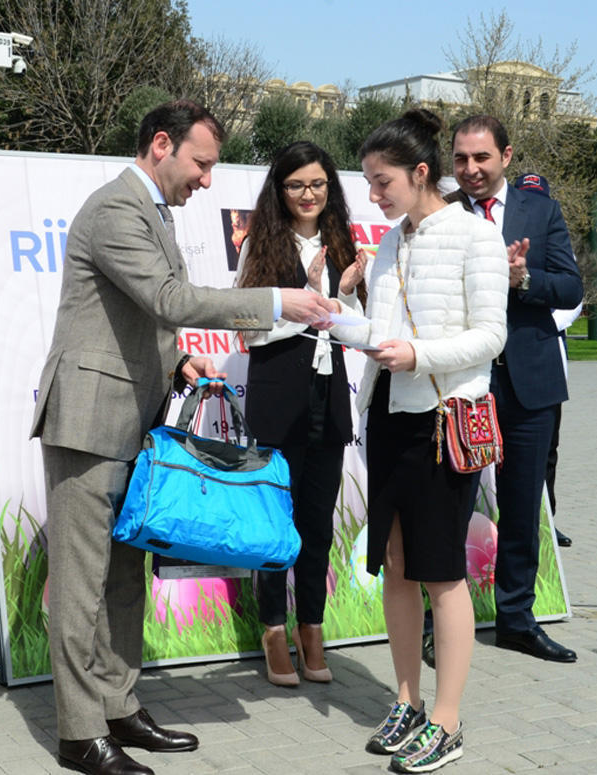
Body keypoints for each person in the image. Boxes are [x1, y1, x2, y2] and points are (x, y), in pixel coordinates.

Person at [29, 100, 333, 775]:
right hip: (87, 419)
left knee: (124, 579)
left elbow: (140, 316)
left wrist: (175, 361)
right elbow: (168, 299)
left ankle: (118, 705)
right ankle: (80, 732)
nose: (205, 179)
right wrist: (280, 300)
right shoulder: (116, 209)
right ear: (160, 144)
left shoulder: (153, 213)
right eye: (200, 163)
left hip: (133, 419)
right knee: (83, 584)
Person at [329, 108, 508, 773]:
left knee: (442, 573)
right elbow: (377, 337)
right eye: (371, 184)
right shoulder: (389, 245)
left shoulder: (473, 237)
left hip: (443, 422)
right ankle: (406, 700)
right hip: (390, 421)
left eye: (383, 183)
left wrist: (421, 354)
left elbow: (492, 336)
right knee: (397, 569)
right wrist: (332, 312)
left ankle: (447, 719)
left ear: (420, 172)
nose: (374, 196)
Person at [450, 117, 583, 662]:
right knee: (448, 507)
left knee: (524, 506)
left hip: (528, 382)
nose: (471, 169)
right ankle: (443, 624)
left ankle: (516, 620)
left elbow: (571, 286)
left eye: (481, 158)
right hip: (460, 383)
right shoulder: (440, 214)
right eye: (461, 159)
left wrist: (523, 280)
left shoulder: (541, 211)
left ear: (505, 156)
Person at [235, 140, 364, 687]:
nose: (307, 194)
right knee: (273, 523)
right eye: (295, 185)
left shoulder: (342, 244)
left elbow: (355, 327)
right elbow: (248, 329)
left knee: (316, 523)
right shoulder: (261, 247)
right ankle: (272, 629)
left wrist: (342, 302)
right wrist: (308, 302)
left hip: (328, 400)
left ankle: (312, 626)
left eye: (316, 184)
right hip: (277, 397)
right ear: (279, 190)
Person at [515, 173, 580, 549]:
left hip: (544, 357)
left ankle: (548, 520)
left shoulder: (555, 240)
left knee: (547, 452)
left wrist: (542, 323)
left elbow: (573, 297)